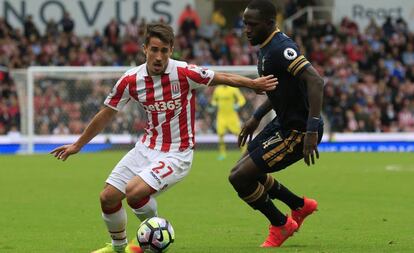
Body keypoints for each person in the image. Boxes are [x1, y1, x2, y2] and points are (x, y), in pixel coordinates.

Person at [50, 23, 277, 253]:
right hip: (146, 147)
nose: (159, 57)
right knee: (108, 197)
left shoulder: (183, 73)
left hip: (177, 153)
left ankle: (155, 236)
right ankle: (118, 248)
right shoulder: (131, 80)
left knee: (134, 192)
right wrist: (78, 144)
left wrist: (252, 84)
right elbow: (106, 113)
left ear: (171, 50)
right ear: (144, 49)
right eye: (154, 50)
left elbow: (221, 77)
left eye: (164, 51)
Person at [228, 0, 324, 248]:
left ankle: (281, 225)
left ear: (270, 23)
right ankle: (299, 206)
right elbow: (279, 89)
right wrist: (256, 117)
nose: (246, 29)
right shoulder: (265, 47)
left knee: (240, 179)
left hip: (299, 131)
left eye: (252, 24)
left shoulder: (281, 48)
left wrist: (311, 130)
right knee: (243, 170)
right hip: (282, 124)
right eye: (244, 24)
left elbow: (315, 81)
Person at [210, 85, 246, 160]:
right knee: (220, 134)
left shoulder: (233, 89)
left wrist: (237, 105)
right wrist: (214, 104)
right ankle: (222, 153)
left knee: (238, 134)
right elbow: (213, 100)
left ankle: (244, 152)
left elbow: (242, 100)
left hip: (232, 116)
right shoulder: (218, 89)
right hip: (221, 116)